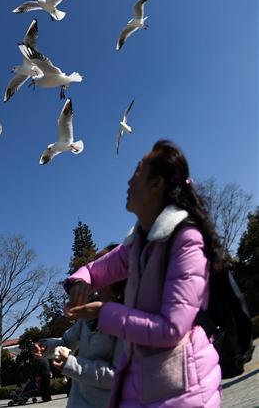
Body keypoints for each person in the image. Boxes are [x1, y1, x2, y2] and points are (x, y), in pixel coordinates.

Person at [65, 140, 223, 407]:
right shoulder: (139, 244)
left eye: (137, 171)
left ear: (156, 184)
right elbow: (97, 269)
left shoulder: (186, 241)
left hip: (184, 389)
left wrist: (103, 313)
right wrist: (80, 281)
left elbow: (171, 328)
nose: (128, 181)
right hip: (149, 382)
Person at [44, 244, 125, 408]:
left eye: (100, 264)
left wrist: (72, 364)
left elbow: (116, 375)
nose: (93, 270)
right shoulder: (89, 313)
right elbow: (67, 342)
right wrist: (46, 346)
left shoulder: (129, 319)